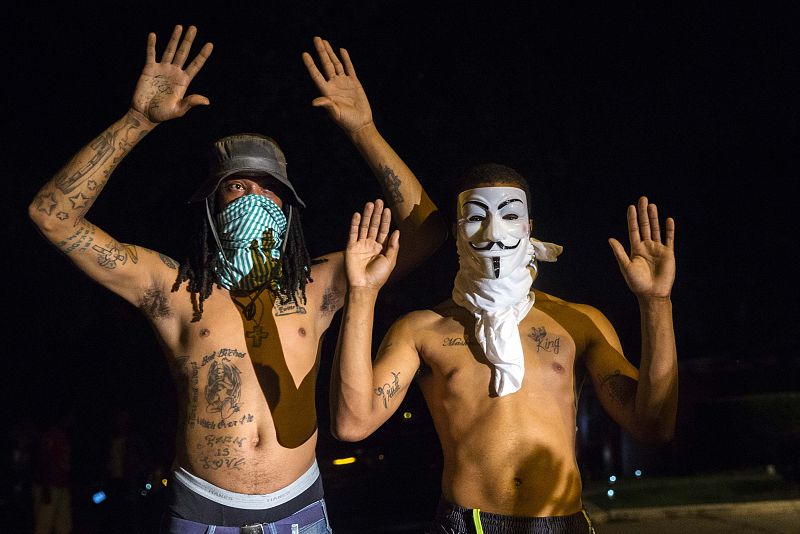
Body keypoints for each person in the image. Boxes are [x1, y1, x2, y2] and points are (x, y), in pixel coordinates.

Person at [28, 24, 446, 533]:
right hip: (204, 516)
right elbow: (53, 216)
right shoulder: (176, 289)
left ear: (289, 210)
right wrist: (136, 121)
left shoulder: (318, 285)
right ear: (210, 207)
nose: (254, 199)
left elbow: (426, 234)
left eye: (269, 190)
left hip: (301, 512)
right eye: (238, 187)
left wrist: (363, 129)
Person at [331, 163, 678, 533]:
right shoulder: (423, 329)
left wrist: (656, 303)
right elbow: (352, 422)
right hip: (468, 523)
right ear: (456, 232)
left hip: (562, 523)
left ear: (528, 227)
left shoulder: (577, 322)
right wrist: (363, 294)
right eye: (476, 218)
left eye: (510, 215)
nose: (493, 232)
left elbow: (652, 425)